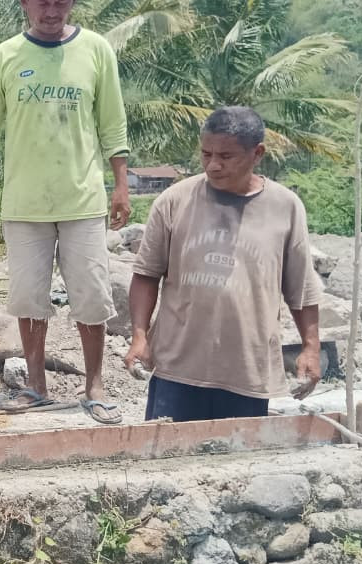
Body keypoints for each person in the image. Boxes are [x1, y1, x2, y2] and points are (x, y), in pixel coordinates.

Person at [0, 0, 131, 424]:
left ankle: (94, 386)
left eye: (63, 1)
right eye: (44, 1)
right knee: (29, 296)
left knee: (92, 294)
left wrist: (120, 186)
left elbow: (113, 125)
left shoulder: (96, 51)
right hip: (24, 203)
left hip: (82, 200)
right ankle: (35, 385)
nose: (54, 10)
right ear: (25, 2)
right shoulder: (3, 58)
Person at [125, 106, 322, 421]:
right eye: (206, 154)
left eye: (226, 157)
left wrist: (311, 347)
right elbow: (146, 275)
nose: (213, 165)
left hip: (247, 370)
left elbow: (300, 288)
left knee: (235, 464)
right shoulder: (175, 201)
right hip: (178, 367)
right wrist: (139, 337)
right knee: (166, 461)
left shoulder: (285, 207)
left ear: (257, 153)